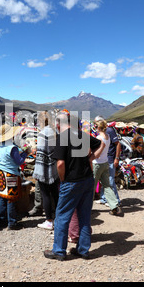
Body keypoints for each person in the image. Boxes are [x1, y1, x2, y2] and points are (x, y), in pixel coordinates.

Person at [43, 111, 103, 261]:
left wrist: (63, 179)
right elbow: (100, 144)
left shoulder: (63, 137)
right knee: (84, 216)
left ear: (59, 124)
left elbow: (60, 163)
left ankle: (59, 251)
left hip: (71, 181)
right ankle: (83, 250)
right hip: (87, 180)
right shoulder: (82, 135)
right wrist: (91, 158)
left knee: (62, 216)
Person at [0, 123, 31, 230]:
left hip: (1, 174)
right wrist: (26, 153)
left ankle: (1, 220)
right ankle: (12, 222)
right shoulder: (12, 148)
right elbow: (19, 161)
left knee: (3, 197)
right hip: (11, 175)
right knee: (11, 199)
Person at [33, 111, 59, 230]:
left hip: (44, 168)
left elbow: (41, 154)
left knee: (46, 195)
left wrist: (38, 171)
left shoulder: (42, 133)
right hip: (54, 167)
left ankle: (49, 220)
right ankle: (59, 218)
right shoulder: (55, 132)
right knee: (55, 193)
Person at [92, 119, 122, 216]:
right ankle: (114, 206)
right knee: (107, 186)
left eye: (96, 127)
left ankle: (86, 208)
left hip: (97, 163)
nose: (95, 128)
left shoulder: (99, 138)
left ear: (99, 127)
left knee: (91, 187)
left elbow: (97, 154)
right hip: (105, 162)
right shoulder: (108, 136)